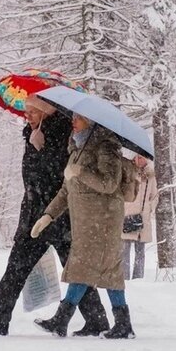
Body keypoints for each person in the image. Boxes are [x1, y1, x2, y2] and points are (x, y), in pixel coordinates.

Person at [0, 96, 107, 337]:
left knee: (52, 269)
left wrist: (41, 150)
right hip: (36, 215)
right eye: (26, 112)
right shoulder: (32, 134)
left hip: (55, 216)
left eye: (32, 112)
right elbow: (31, 179)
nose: (27, 116)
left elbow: (58, 176)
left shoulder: (62, 134)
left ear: (45, 113)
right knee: (25, 268)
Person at [31, 114, 135, 339]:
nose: (73, 121)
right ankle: (66, 320)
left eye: (79, 118)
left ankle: (118, 324)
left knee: (103, 268)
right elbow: (66, 191)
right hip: (85, 222)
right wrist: (48, 216)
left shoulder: (106, 147)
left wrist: (81, 172)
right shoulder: (77, 148)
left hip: (104, 220)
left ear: (92, 121)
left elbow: (109, 184)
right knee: (86, 267)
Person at [121, 155, 158, 280]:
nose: (141, 160)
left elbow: (155, 196)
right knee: (125, 250)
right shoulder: (127, 172)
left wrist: (149, 208)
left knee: (140, 251)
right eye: (138, 157)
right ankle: (124, 279)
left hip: (143, 217)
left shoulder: (150, 176)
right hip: (127, 215)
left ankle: (138, 279)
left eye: (143, 158)